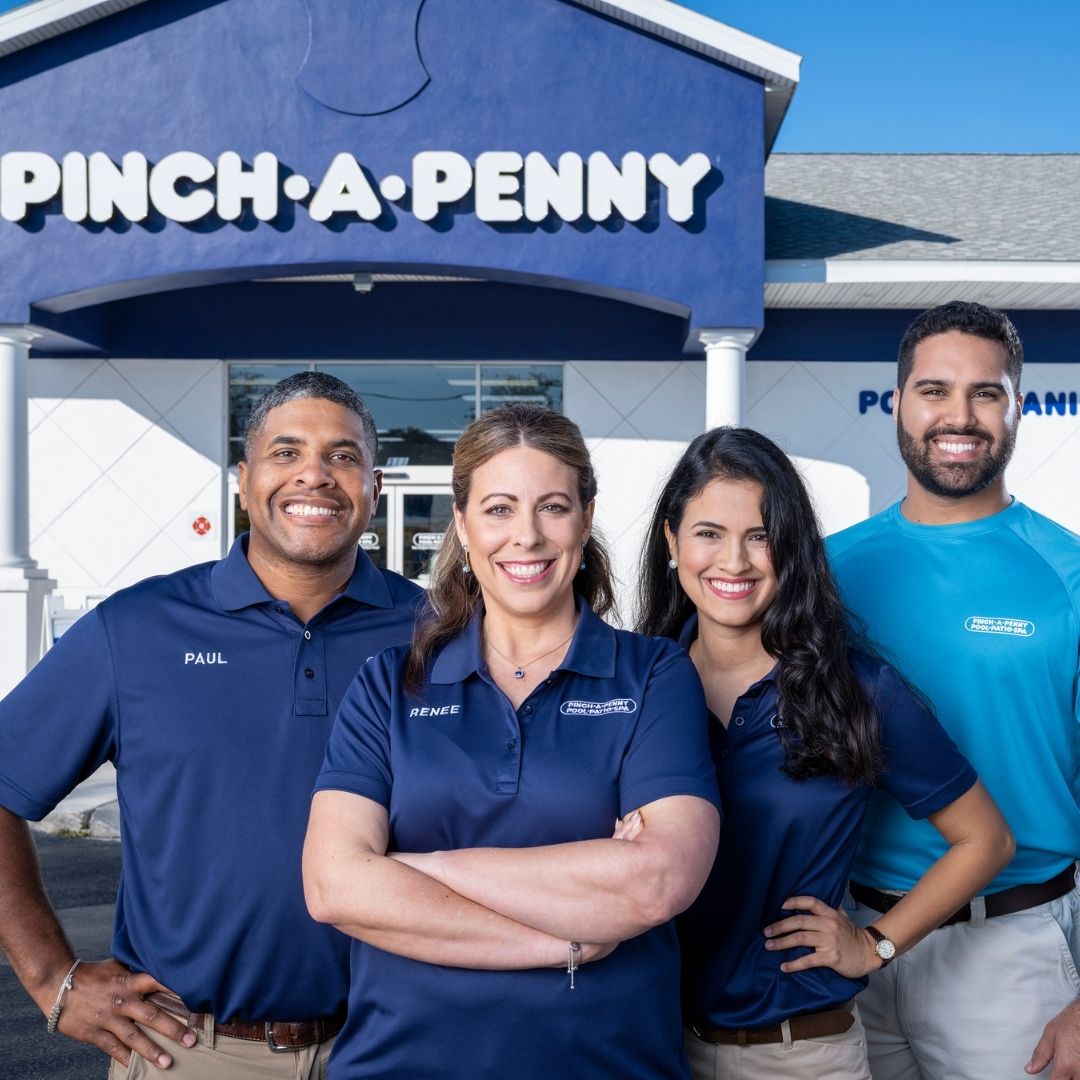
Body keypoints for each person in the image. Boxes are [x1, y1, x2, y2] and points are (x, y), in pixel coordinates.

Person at [0, 372, 422, 1078]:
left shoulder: (438, 634)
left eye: (342, 456)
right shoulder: (136, 630)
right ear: (243, 479)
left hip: (399, 1046)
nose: (314, 475)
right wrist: (52, 977)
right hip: (192, 1052)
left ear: (374, 485)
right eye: (286, 453)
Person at [302, 402, 722, 1079]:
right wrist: (568, 940)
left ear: (586, 519)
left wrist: (414, 867)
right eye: (498, 509)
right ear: (463, 526)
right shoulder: (389, 684)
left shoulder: (654, 675)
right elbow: (332, 886)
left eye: (552, 507)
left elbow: (657, 882)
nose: (525, 536)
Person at [637, 425, 1013, 1080]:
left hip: (802, 1055)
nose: (735, 561)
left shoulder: (857, 690)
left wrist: (875, 943)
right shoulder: (632, 684)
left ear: (792, 548)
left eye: (761, 536)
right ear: (672, 541)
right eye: (709, 534)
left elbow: (985, 840)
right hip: (652, 1047)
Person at [828, 300, 1080, 1080]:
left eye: (986, 392)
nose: (959, 415)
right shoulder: (827, 573)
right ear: (898, 400)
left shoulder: (1067, 574)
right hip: (848, 940)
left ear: (1016, 406)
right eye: (934, 390)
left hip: (1010, 953)